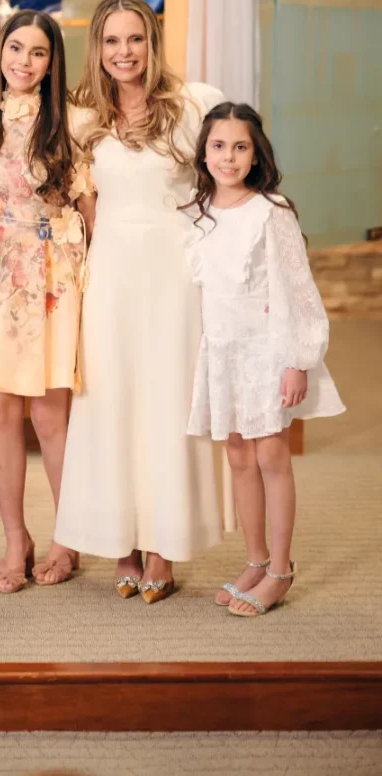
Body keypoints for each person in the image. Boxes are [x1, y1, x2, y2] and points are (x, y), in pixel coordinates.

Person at [54, 0, 234, 603]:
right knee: (111, 402)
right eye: (112, 42)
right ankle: (122, 543)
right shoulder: (83, 118)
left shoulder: (193, 106)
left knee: (164, 402)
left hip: (173, 273)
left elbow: (227, 187)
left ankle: (162, 547)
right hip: (110, 274)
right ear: (97, 49)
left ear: (152, 44)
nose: (123, 53)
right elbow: (84, 206)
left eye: (135, 40)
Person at [0, 10, 93, 593]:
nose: (24, 62)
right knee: (0, 411)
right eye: (15, 49)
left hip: (55, 272)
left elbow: (91, 211)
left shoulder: (77, 120)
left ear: (53, 62)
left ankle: (66, 538)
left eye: (38, 53)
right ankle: (15, 540)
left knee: (50, 416)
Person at [181, 101, 345, 616]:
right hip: (222, 350)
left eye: (240, 147)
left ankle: (280, 568)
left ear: (256, 155)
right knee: (237, 453)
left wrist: (296, 359)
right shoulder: (196, 212)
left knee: (271, 455)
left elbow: (297, 290)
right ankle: (254, 559)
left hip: (264, 349)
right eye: (218, 146)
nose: (228, 157)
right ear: (204, 151)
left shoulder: (270, 212)